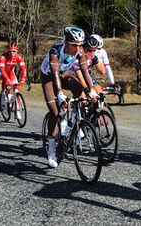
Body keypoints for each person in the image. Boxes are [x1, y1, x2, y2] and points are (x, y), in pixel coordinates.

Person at [40, 27, 99, 168]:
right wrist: (59, 94)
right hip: (49, 77)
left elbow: (85, 71)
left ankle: (73, 121)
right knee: (55, 112)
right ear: (67, 42)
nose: (78, 48)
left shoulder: (80, 52)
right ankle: (52, 148)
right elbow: (54, 73)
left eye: (80, 44)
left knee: (79, 90)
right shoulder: (55, 51)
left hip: (63, 74)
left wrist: (91, 90)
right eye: (74, 44)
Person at [0, 43, 27, 108]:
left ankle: (17, 105)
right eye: (10, 51)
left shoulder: (18, 57)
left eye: (14, 51)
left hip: (11, 72)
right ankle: (3, 97)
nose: (11, 53)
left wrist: (23, 78)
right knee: (6, 84)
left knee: (16, 87)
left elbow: (23, 68)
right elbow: (2, 70)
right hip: (2, 72)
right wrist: (8, 80)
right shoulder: (3, 57)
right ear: (7, 51)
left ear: (17, 51)